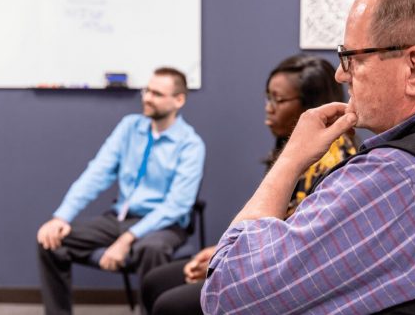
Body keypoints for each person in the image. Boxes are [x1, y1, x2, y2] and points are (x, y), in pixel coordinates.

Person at [201, 0, 415, 314]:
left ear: (414, 69)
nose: (340, 74)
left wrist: (289, 161)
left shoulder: (396, 177)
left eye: (351, 58)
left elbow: (226, 294)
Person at [141, 55, 356, 314]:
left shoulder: (331, 159)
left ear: (310, 107)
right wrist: (218, 252)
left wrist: (226, 262)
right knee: (156, 280)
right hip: (262, 253)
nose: (269, 107)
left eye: (278, 100)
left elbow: (295, 246)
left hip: (283, 272)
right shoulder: (296, 146)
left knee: (170, 305)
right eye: (268, 97)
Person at [36, 67, 205, 315]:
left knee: (151, 248)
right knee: (50, 240)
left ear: (178, 100)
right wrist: (61, 217)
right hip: (119, 218)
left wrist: (127, 239)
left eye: (157, 94)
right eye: (147, 90)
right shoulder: (129, 128)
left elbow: (177, 205)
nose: (147, 97)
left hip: (164, 226)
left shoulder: (191, 145)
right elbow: (97, 173)